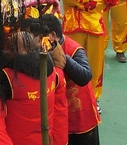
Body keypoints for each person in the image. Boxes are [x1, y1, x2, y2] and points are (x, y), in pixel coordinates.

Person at [29, 14, 99, 145]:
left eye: (41, 36)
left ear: (53, 35)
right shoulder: (41, 50)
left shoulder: (74, 49)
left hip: (80, 115)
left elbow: (85, 76)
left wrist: (62, 57)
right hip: (58, 115)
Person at [60, 0, 112, 100]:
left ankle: (94, 99)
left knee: (95, 66)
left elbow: (105, 0)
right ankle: (69, 97)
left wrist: (80, 4)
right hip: (72, 26)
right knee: (70, 63)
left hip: (95, 27)